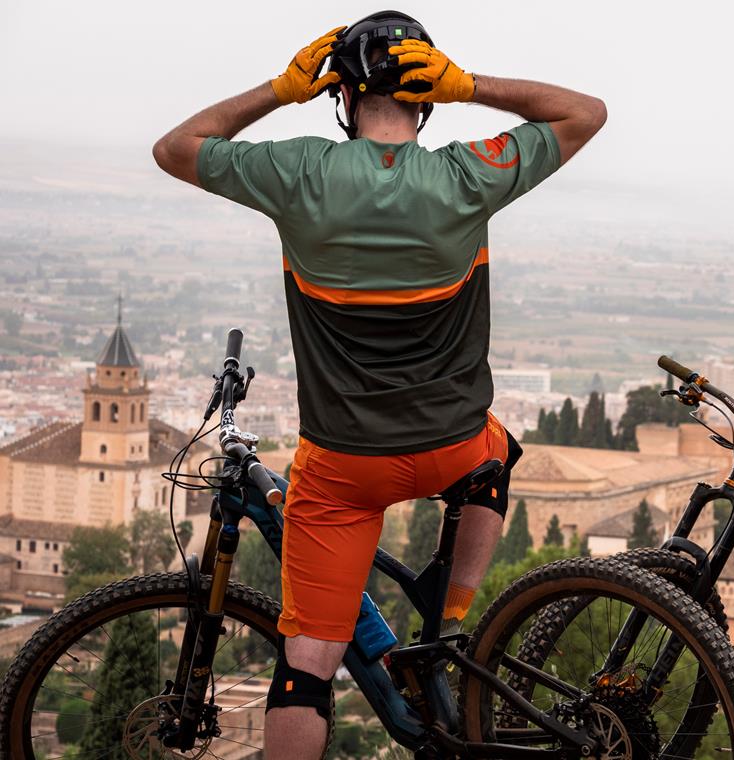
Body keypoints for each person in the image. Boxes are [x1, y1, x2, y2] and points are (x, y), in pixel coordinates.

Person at [152, 12, 605, 759]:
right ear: (424, 97)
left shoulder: (300, 172)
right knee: (497, 449)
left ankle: (413, 650)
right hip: (454, 447)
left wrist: (278, 89)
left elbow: (176, 148)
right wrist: (471, 86)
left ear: (340, 95)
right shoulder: (468, 175)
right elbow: (586, 112)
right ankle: (450, 626)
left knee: (308, 668)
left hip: (344, 468)